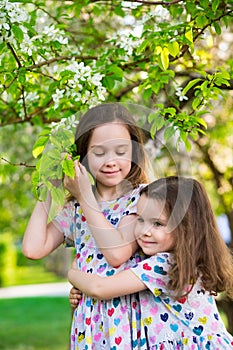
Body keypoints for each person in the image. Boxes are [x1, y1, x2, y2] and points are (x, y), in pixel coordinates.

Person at [22, 103, 150, 349]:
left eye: (121, 151)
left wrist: (83, 196)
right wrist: (50, 187)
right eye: (99, 152)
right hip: (89, 323)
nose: (111, 161)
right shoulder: (76, 209)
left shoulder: (143, 199)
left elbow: (117, 253)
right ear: (82, 156)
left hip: (129, 319)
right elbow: (33, 249)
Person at [68, 176, 233, 349]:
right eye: (140, 219)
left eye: (157, 223)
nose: (144, 231)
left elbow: (99, 288)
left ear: (186, 227)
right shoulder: (182, 261)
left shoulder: (165, 264)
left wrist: (73, 274)